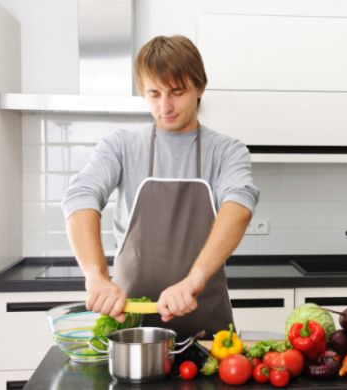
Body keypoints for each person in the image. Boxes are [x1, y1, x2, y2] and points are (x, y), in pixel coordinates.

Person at [62, 35, 259, 339]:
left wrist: (194, 280)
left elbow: (240, 206)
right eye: (154, 94)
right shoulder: (120, 146)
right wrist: (96, 276)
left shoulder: (227, 151)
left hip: (206, 328)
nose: (165, 106)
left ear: (199, 88)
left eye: (176, 92)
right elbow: (80, 196)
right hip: (131, 327)